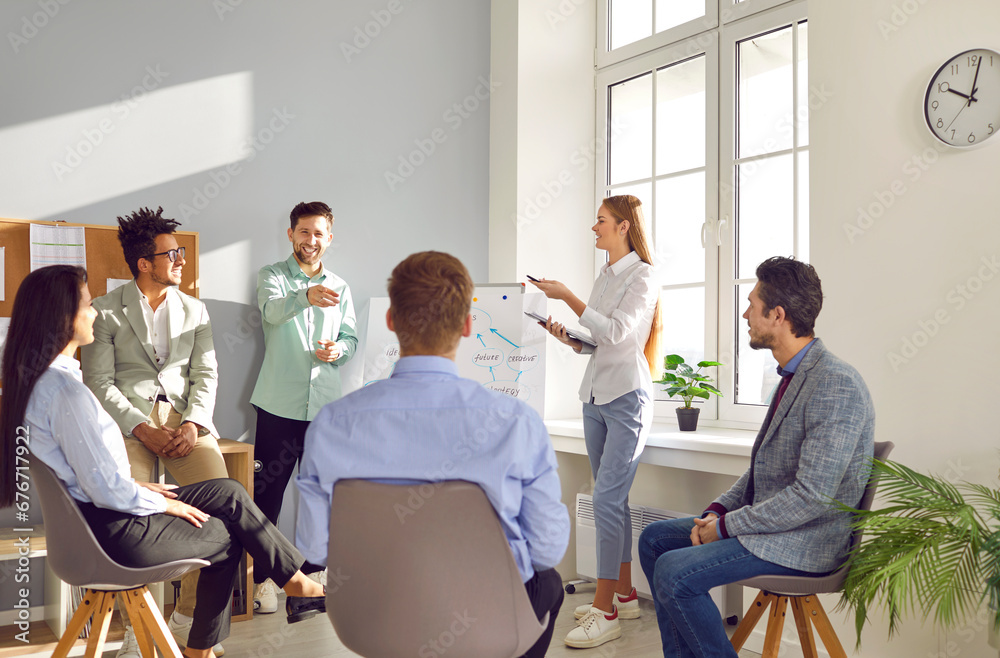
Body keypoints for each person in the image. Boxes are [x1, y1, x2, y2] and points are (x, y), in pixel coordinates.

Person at [0, 266, 326, 658]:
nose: (96, 312)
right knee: (230, 533)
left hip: (94, 521)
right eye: (87, 304)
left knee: (229, 491)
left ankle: (292, 583)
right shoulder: (68, 394)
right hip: (113, 536)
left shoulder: (40, 384)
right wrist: (163, 502)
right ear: (61, 315)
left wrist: (141, 488)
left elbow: (82, 478)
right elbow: (104, 489)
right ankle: (268, 604)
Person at [295, 251, 569, 658]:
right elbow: (547, 549)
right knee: (547, 583)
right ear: (467, 325)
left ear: (391, 321)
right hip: (488, 623)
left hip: (372, 622)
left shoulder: (331, 425)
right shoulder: (516, 422)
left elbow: (314, 547)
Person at [637, 256, 875, 657]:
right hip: (774, 528)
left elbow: (811, 496)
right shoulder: (793, 375)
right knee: (654, 540)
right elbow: (760, 471)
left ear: (777, 315)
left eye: (751, 305)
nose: (745, 314)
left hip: (809, 541)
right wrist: (717, 511)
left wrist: (728, 527)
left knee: (676, 573)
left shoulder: (836, 383)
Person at [80, 207, 228, 656]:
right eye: (172, 254)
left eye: (181, 252)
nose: (182, 260)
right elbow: (99, 383)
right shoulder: (105, 311)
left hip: (187, 425)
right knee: (129, 519)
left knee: (223, 508)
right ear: (145, 263)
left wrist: (193, 422)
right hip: (129, 427)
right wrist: (142, 428)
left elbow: (206, 373)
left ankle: (187, 618)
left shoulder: (196, 309)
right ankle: (134, 631)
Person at [530, 194, 661, 649]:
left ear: (623, 226)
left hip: (627, 399)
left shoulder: (644, 276)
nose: (594, 228)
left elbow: (618, 333)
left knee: (604, 501)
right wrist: (569, 338)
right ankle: (623, 594)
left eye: (601, 221)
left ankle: (605, 611)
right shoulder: (607, 274)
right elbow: (598, 341)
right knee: (614, 503)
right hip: (595, 396)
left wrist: (566, 295)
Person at [249, 201, 357, 611]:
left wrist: (339, 351)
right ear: (290, 234)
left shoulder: (342, 287)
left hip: (325, 409)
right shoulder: (272, 277)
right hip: (278, 405)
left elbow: (351, 338)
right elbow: (273, 313)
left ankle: (314, 578)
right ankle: (265, 582)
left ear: (329, 238)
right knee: (266, 498)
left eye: (318, 233)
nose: (311, 241)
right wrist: (306, 296)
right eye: (304, 232)